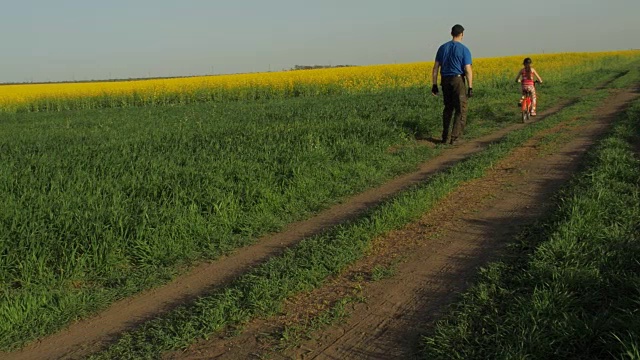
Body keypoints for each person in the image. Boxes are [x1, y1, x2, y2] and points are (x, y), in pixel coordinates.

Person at [431, 24, 473, 145]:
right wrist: (470, 86)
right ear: (462, 34)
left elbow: (435, 68)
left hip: (445, 80)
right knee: (461, 109)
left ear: (451, 33)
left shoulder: (442, 48)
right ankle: (454, 138)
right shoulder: (464, 49)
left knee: (448, 108)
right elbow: (467, 69)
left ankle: (444, 137)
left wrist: (434, 85)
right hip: (457, 80)